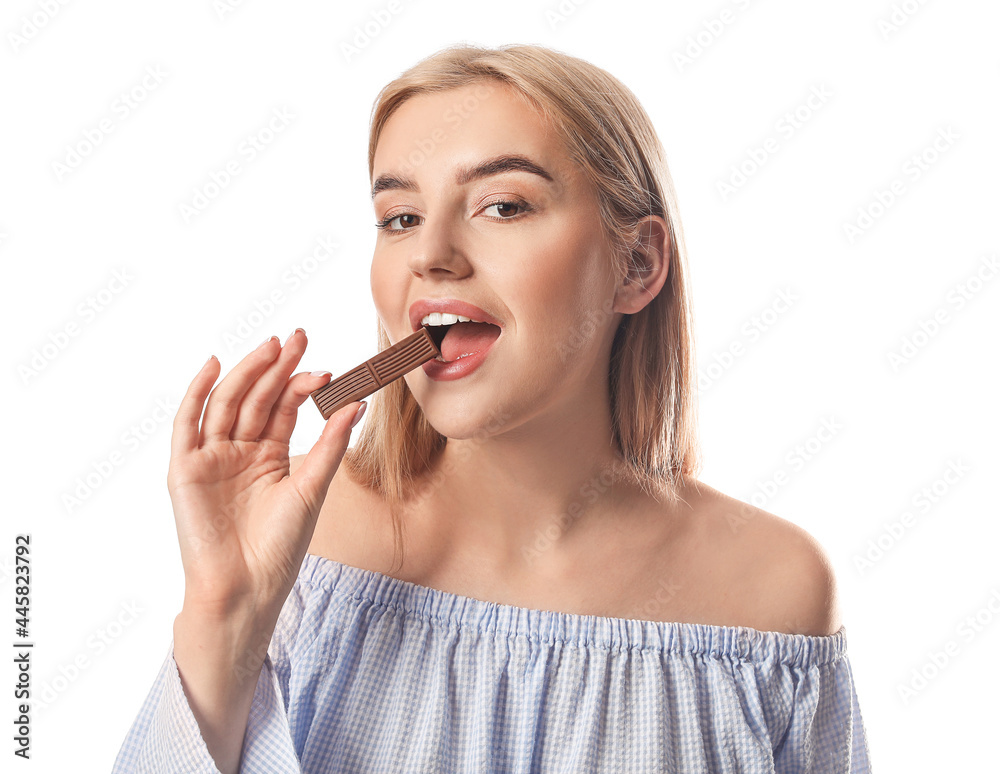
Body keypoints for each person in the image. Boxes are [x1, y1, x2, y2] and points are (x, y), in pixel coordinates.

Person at [112, 43, 872, 773]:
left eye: (503, 206)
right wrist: (223, 617)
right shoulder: (301, 548)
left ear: (637, 264)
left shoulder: (775, 592)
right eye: (399, 217)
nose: (431, 254)